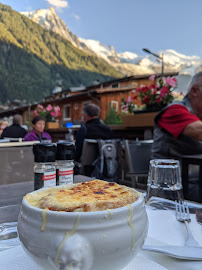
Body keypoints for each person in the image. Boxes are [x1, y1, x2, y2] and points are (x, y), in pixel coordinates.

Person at [152, 71, 202, 201]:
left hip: (192, 184)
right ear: (195, 90)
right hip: (169, 191)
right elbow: (198, 130)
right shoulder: (174, 110)